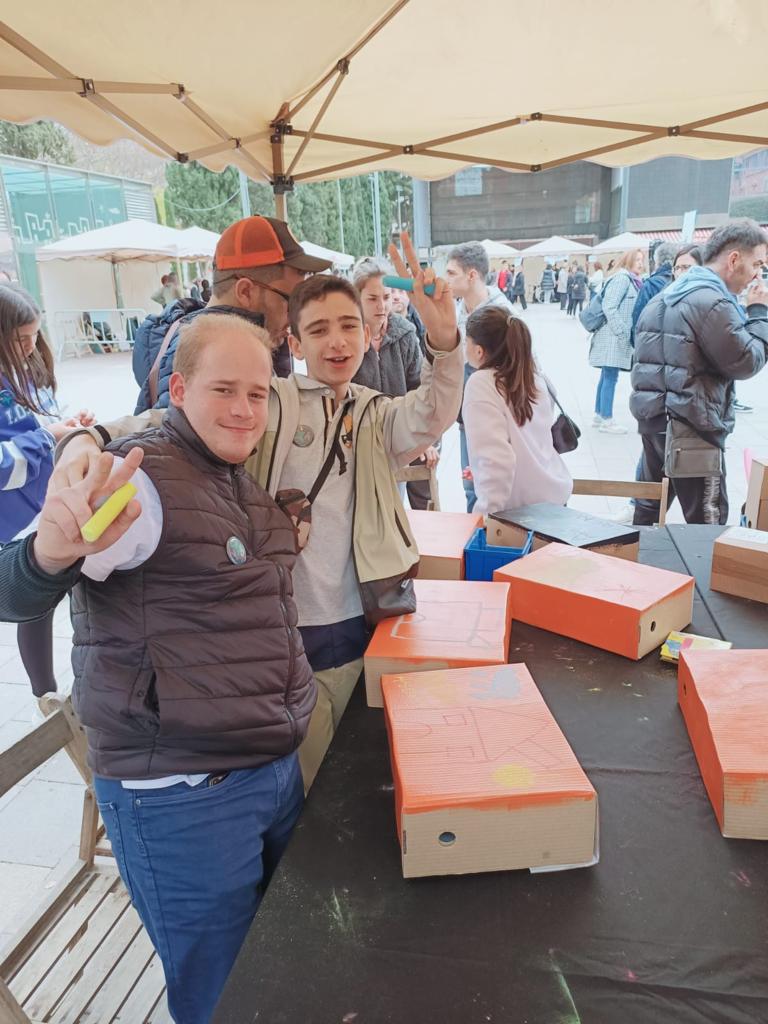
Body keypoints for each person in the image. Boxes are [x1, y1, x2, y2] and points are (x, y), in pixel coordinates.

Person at [51, 230, 463, 793]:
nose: (336, 341)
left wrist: (445, 342)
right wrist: (91, 436)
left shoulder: (375, 415)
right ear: (295, 342)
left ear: (369, 335)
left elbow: (433, 413)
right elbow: (174, 419)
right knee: (308, 787)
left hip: (362, 620)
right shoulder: (272, 401)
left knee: (358, 779)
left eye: (349, 326)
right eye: (318, 329)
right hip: (284, 632)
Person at [4, 316, 316, 1024]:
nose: (244, 409)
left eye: (257, 394)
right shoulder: (140, 480)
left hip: (268, 773)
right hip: (185, 797)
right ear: (178, 389)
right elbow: (25, 580)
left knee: (278, 970)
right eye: (223, 390)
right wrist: (51, 552)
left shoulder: (231, 476)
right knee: (221, 997)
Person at [631, 219, 768, 526]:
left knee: (648, 512)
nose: (757, 274)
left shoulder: (664, 296)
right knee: (708, 525)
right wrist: (759, 312)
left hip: (656, 422)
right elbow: (746, 361)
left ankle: (636, 558)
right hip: (692, 429)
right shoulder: (711, 301)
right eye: (757, 264)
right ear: (734, 259)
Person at [133, 216, 333, 412]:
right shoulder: (212, 353)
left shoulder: (181, 332)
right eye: (290, 301)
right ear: (245, 292)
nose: (294, 317)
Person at [0, 284, 94, 697]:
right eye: (21, 339)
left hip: (48, 505)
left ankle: (78, 687)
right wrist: (46, 437)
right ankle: (46, 696)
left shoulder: (25, 371)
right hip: (14, 526)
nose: (31, 346)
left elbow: (41, 419)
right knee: (33, 607)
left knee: (74, 590)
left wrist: (70, 425)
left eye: (35, 335)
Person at [463, 307, 572, 514]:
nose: (464, 347)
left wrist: (486, 517)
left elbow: (497, 460)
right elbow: (528, 443)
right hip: (554, 502)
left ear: (479, 351)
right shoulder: (535, 378)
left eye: (465, 341)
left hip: (517, 513)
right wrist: (480, 470)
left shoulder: (481, 383)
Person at [351, 259, 439, 510]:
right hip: (358, 445)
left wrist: (425, 440)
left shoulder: (406, 334)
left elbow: (420, 390)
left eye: (386, 297)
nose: (381, 306)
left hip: (399, 440)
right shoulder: (348, 337)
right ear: (356, 298)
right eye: (372, 299)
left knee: (394, 508)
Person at [444, 240, 515, 512]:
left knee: (497, 490)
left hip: (501, 419)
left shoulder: (505, 315)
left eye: (452, 273)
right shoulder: (457, 311)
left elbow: (527, 368)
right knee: (471, 488)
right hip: (468, 417)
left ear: (472, 275)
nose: (446, 279)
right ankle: (477, 537)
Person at [589, 248, 645, 434]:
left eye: (642, 260)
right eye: (637, 259)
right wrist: (622, 332)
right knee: (610, 376)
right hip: (612, 336)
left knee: (607, 375)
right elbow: (609, 307)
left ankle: (599, 415)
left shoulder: (629, 279)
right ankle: (607, 419)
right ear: (628, 260)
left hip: (612, 335)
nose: (640, 263)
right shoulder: (622, 279)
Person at [631, 242, 676, 338]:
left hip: (653, 339)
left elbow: (638, 318)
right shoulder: (682, 282)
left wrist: (635, 340)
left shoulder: (650, 285)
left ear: (657, 262)